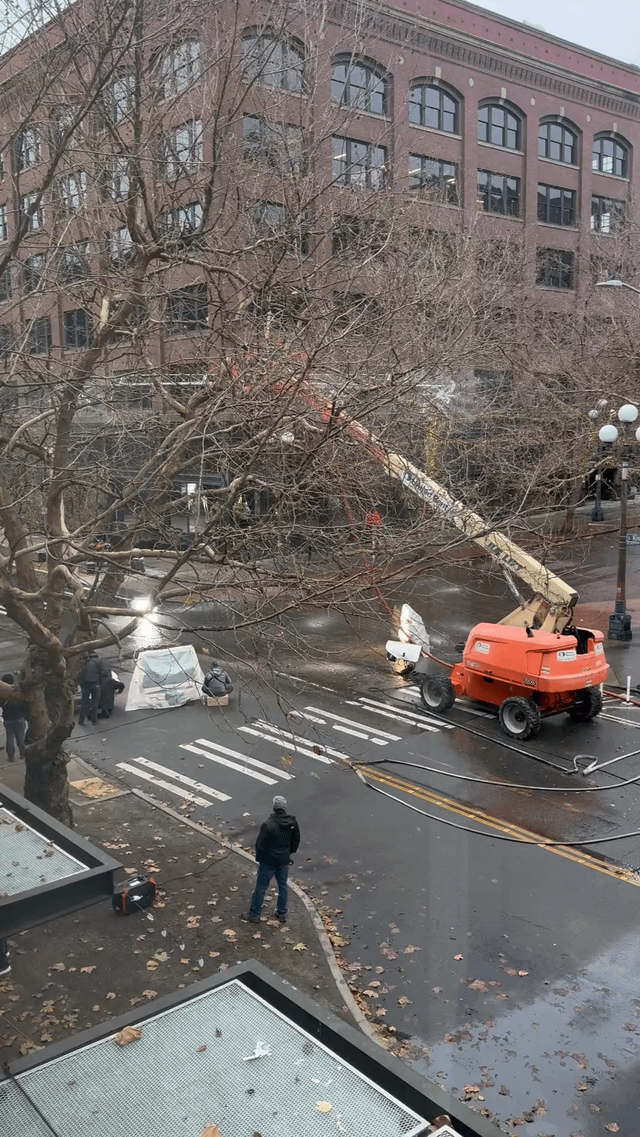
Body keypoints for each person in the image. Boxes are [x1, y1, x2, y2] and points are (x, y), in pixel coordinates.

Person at [246, 795, 300, 924]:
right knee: (283, 886)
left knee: (261, 887)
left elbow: (260, 845)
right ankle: (281, 913)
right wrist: (288, 853)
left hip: (268, 861)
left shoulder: (268, 824)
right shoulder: (292, 823)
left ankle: (254, 914)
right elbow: (296, 840)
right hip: (283, 861)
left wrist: (260, 859)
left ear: (274, 808)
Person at [1, 673, 28, 762]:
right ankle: (23, 754)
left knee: (10, 738)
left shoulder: (2, 694)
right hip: (19, 718)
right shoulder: (17, 691)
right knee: (20, 738)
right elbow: (24, 704)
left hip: (8, 719)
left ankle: (11, 757)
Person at [78, 652, 107, 725]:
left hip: (85, 685)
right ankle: (94, 720)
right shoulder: (99, 662)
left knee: (84, 703)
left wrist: (82, 685)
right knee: (95, 703)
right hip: (95, 684)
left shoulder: (85, 663)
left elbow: (80, 674)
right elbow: (104, 673)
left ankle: (81, 720)